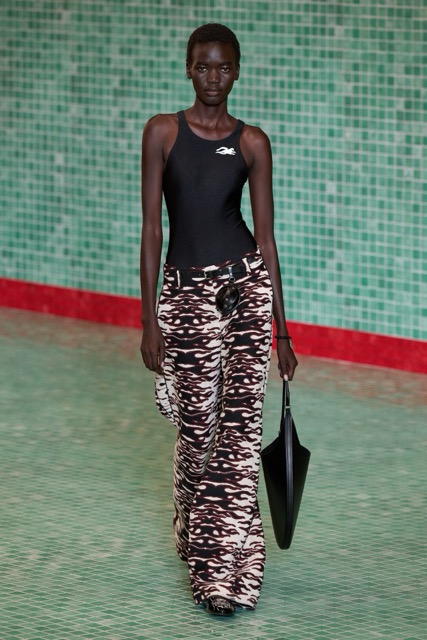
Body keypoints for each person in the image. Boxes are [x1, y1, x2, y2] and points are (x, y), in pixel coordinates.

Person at [140, 23, 298, 617]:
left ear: (237, 71)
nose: (213, 77)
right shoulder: (163, 132)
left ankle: (229, 570)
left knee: (238, 436)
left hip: (246, 291)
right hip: (185, 296)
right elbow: (152, 231)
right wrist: (149, 321)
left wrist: (282, 330)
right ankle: (195, 533)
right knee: (197, 429)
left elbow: (266, 240)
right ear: (188, 68)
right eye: (203, 66)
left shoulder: (253, 142)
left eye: (224, 67)